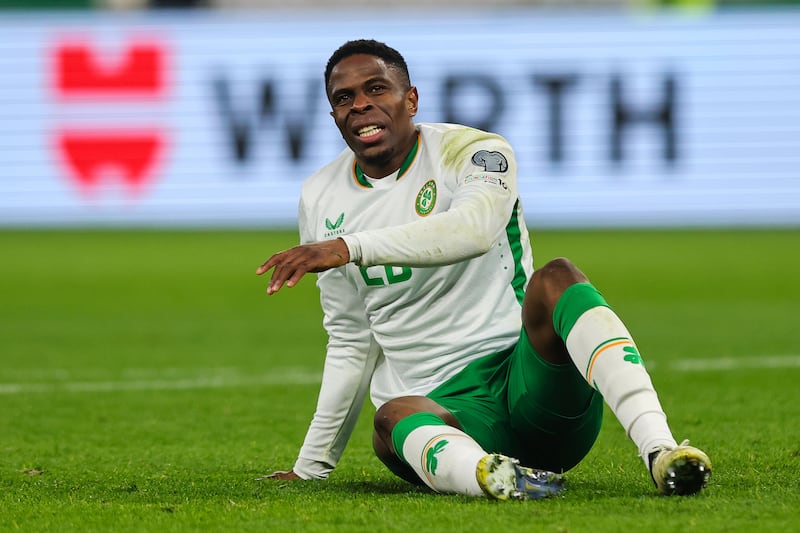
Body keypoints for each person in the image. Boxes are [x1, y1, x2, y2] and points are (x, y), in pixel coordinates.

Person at [256, 39, 711, 500]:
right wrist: (311, 465)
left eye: (377, 89)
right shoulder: (320, 197)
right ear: (332, 114)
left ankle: (660, 450)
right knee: (390, 418)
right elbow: (352, 338)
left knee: (557, 278)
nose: (361, 105)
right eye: (344, 98)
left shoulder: (474, 151)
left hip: (528, 386)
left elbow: (473, 229)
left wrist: (350, 247)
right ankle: (491, 477)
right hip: (449, 414)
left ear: (411, 98)